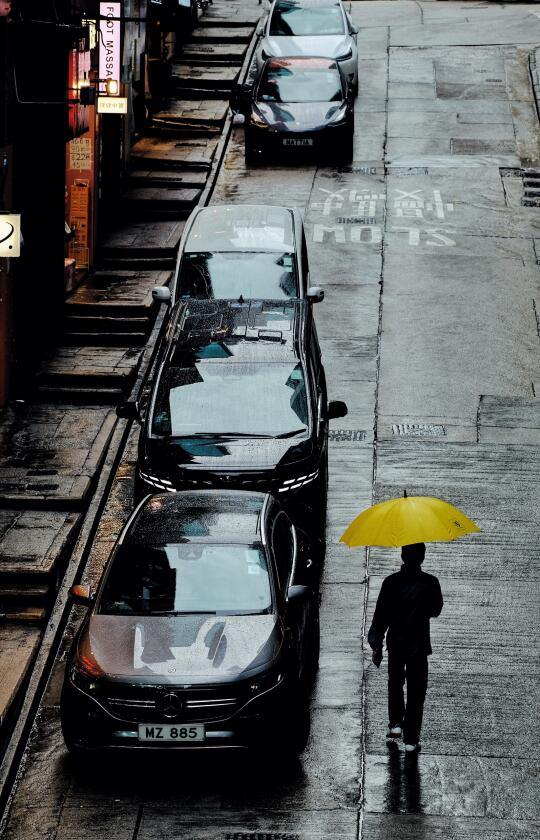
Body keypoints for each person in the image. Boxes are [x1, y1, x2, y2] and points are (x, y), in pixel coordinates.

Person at [368, 542, 443, 753]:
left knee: (395, 683)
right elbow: (435, 609)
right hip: (419, 644)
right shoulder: (430, 583)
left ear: (402, 556)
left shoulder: (391, 583)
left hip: (396, 643)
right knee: (417, 691)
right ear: (423, 557)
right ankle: (411, 738)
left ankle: (395, 723)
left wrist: (376, 644)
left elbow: (381, 615)